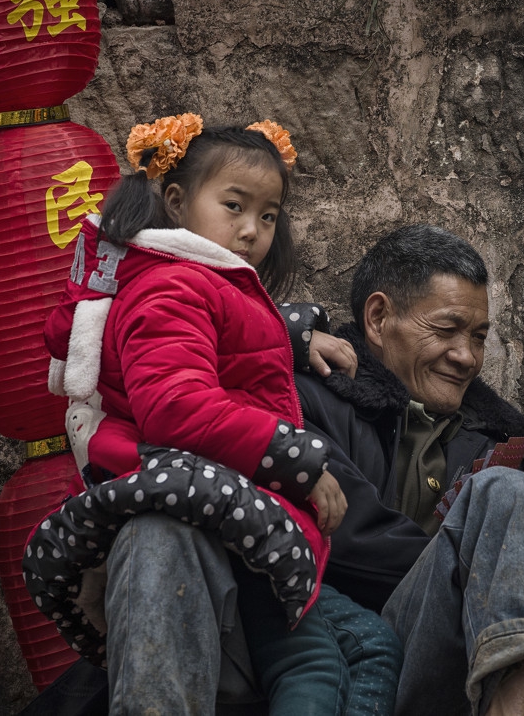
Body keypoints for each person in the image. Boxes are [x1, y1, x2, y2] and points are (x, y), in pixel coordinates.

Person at [36, 114, 401, 715]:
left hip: (226, 506)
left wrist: (294, 334)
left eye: (268, 215)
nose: (252, 230)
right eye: (234, 206)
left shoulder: (192, 284)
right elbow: (176, 406)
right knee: (315, 665)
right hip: (210, 510)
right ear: (176, 202)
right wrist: (294, 458)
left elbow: (227, 350)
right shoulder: (169, 288)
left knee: (357, 650)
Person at [293, 224, 524, 716]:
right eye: (446, 330)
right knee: (512, 491)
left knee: (516, 490)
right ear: (379, 319)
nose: (466, 356)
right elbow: (348, 536)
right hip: (350, 652)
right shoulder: (308, 399)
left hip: (455, 668)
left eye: (479, 337)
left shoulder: (493, 439)